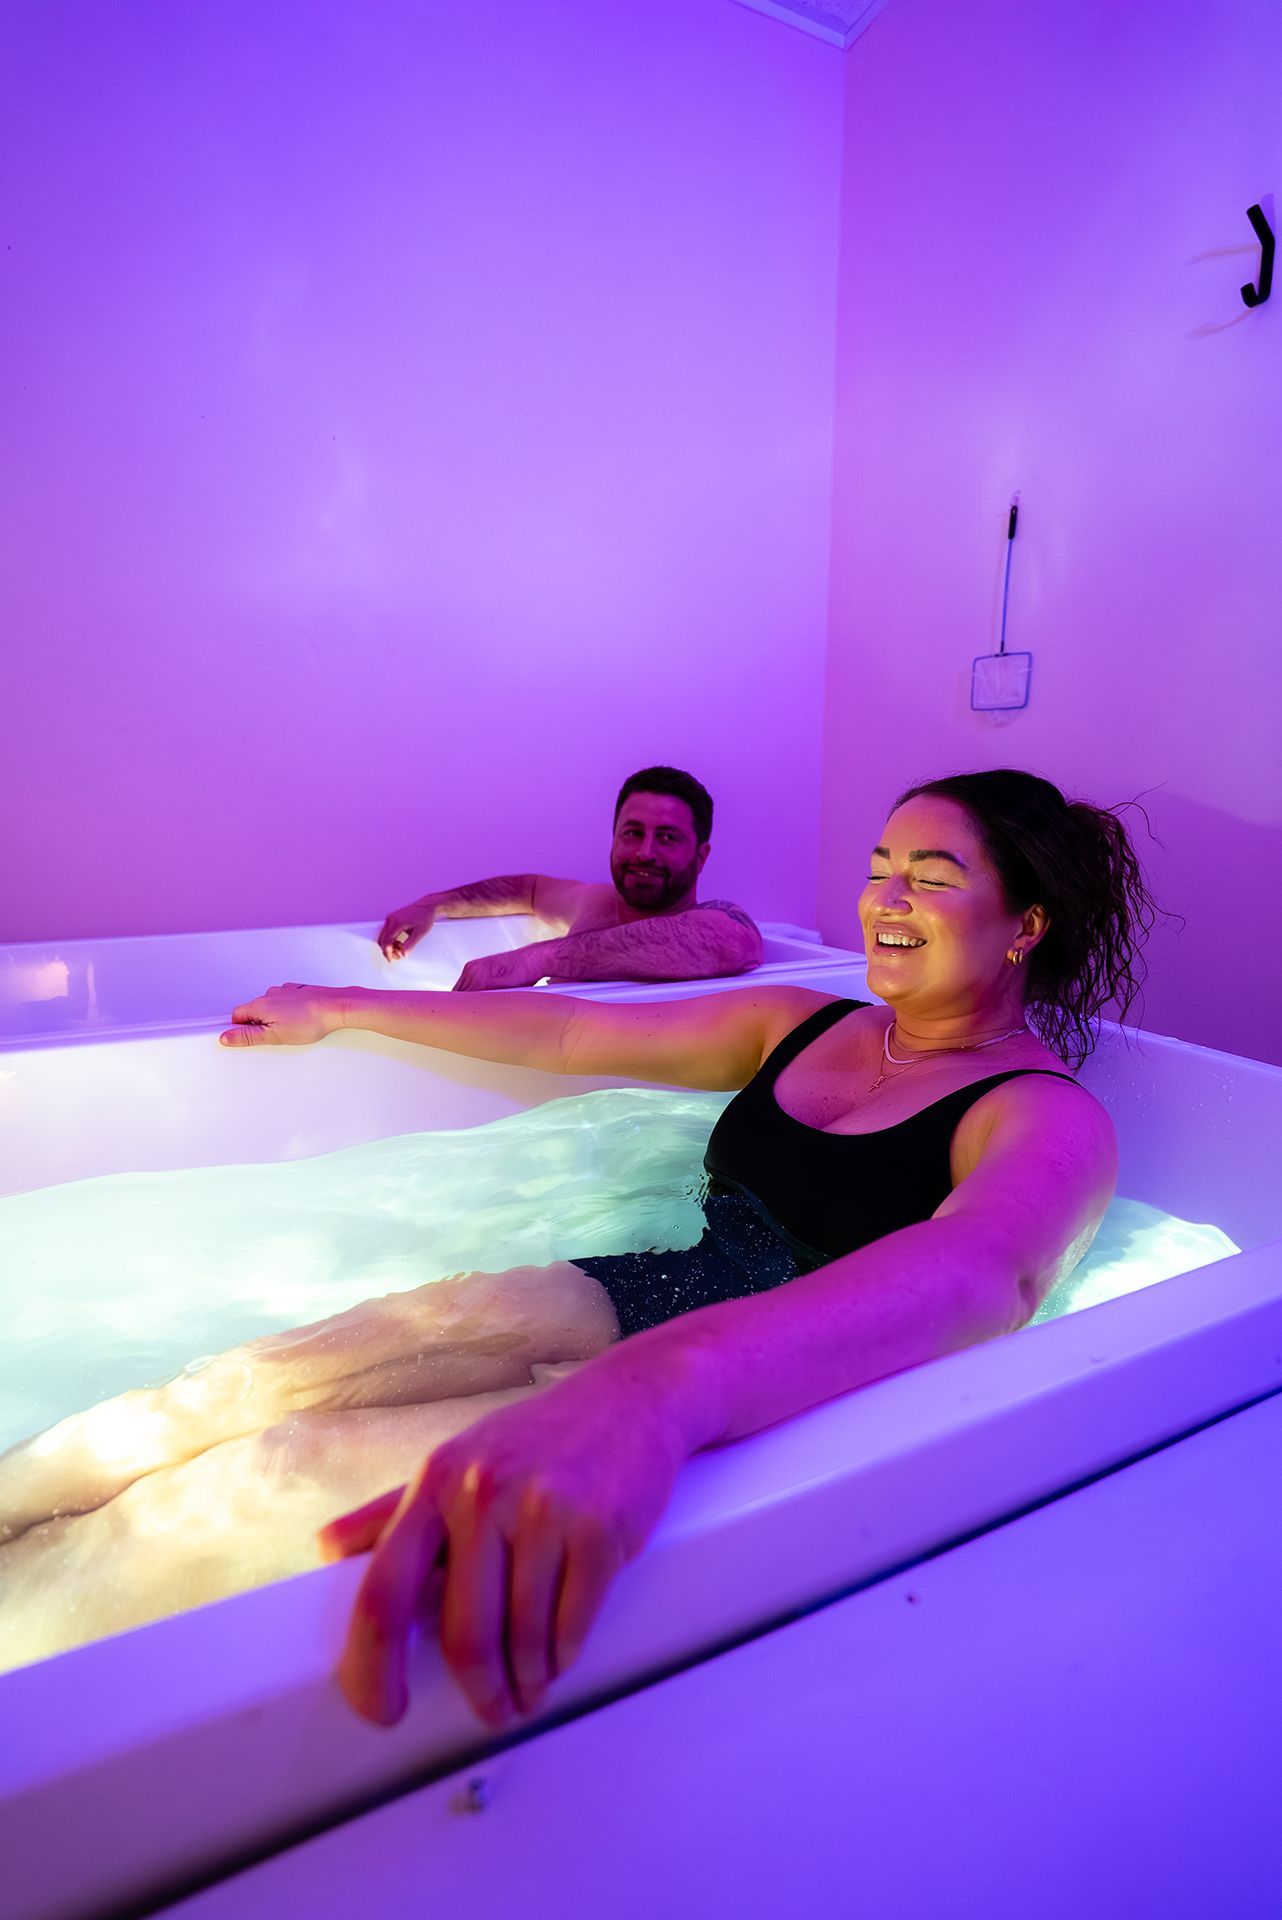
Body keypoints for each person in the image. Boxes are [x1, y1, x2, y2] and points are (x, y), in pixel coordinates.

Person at [0, 770, 1155, 1722]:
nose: (885, 898)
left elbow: (987, 1275)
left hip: (741, 1403)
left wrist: (655, 1392)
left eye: (933, 876)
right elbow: (567, 1031)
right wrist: (344, 1005)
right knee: (235, 1388)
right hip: (641, 1293)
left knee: (280, 1471)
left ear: (1026, 925)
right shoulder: (807, 1023)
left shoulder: (1042, 1115)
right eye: (878, 867)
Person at [375, 765, 762, 990]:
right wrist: (433, 904)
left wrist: (537, 960)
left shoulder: (711, 925)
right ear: (614, 838)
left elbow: (730, 942)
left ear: (700, 856)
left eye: (667, 838)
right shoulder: (593, 903)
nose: (645, 852)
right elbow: (525, 890)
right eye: (632, 833)